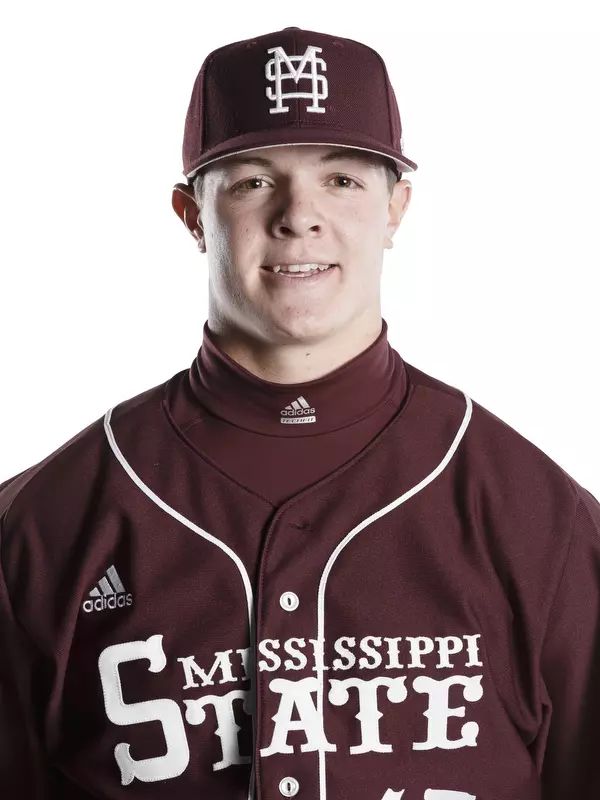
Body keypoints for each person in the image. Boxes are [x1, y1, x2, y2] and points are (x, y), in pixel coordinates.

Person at [1, 24, 599, 800]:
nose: (298, 216)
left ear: (396, 208)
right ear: (191, 214)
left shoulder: (540, 523)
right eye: (253, 181)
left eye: (342, 180)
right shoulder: (41, 529)